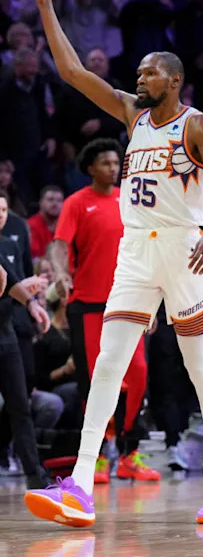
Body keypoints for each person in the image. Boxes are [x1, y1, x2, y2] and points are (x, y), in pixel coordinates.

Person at [24, 0, 203, 527]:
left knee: (201, 369)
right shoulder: (131, 114)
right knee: (106, 365)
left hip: (184, 249)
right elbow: (73, 73)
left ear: (173, 80)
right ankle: (78, 482)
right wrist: (47, 6)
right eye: (140, 72)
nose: (139, 78)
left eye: (149, 72)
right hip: (136, 250)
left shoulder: (195, 124)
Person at [48, 139, 156, 484]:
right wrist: (61, 271)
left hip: (129, 302)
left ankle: (128, 453)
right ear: (91, 167)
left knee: (137, 373)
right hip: (89, 305)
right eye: (106, 163)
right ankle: (94, 458)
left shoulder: (132, 200)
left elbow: (149, 246)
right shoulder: (77, 203)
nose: (113, 168)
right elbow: (59, 245)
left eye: (116, 162)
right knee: (94, 382)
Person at [0, 198, 52, 491]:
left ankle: (36, 476)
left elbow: (13, 282)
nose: (1, 216)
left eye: (4, 210)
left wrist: (32, 304)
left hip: (6, 336)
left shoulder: (7, 244)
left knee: (20, 405)